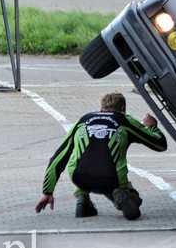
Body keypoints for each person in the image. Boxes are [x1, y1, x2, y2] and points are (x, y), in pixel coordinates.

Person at [34, 92, 167, 220]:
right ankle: (122, 197)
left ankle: (83, 199)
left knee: (84, 162)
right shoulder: (124, 120)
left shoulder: (83, 120)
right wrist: (152, 127)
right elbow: (160, 144)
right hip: (110, 179)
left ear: (101, 108)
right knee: (135, 201)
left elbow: (58, 158)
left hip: (78, 177)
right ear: (123, 108)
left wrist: (47, 192)